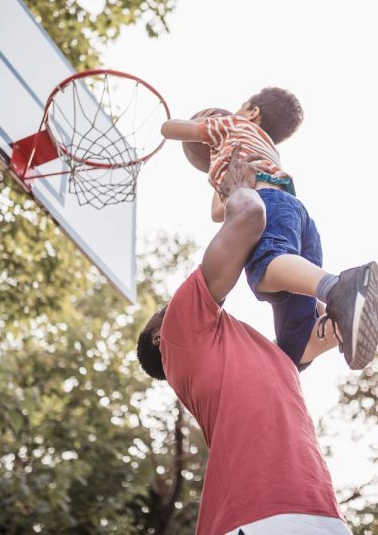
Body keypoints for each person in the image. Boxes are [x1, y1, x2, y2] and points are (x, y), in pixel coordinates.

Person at [137, 146, 352, 534]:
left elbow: (327, 333)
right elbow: (251, 217)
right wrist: (236, 189)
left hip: (320, 514)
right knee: (266, 268)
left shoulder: (267, 355)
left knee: (304, 332)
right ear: (158, 338)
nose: (174, 300)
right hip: (254, 517)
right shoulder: (177, 335)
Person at [161, 92, 378, 372]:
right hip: (295, 216)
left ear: (252, 112)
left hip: (268, 205)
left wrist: (201, 131)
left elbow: (169, 128)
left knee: (265, 267)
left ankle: (338, 287)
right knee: (293, 349)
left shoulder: (230, 125)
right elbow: (217, 211)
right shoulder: (261, 147)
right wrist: (217, 165)